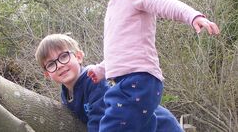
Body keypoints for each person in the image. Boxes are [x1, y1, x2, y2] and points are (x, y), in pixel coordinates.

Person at [86, 0, 220, 131]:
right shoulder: (114, 5)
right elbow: (121, 49)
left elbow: (166, 4)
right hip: (130, 81)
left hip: (137, 80)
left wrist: (193, 16)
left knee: (112, 125)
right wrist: (102, 68)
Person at [35, 33, 183, 132]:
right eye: (51, 64)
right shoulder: (66, 94)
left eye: (63, 56)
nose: (60, 65)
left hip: (158, 124)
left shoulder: (93, 80)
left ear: (79, 56)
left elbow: (100, 118)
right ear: (47, 74)